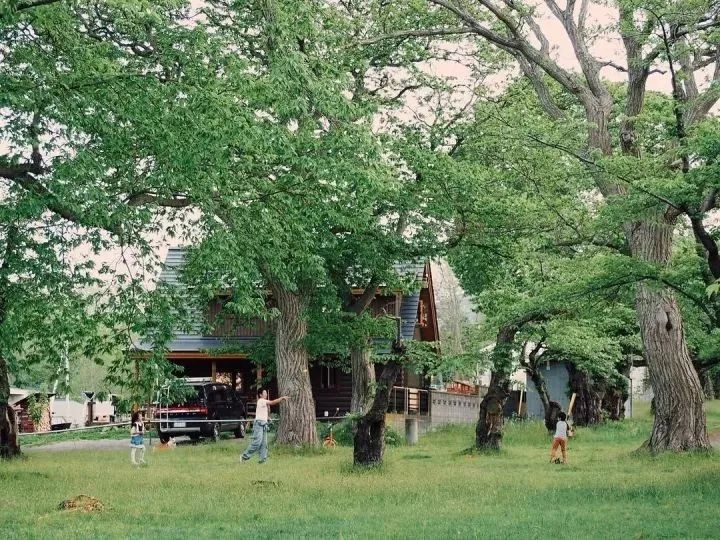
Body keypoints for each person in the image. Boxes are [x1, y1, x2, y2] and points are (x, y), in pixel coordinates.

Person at [240, 389, 289, 464]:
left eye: (266, 392)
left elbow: (261, 413)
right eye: (264, 393)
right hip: (258, 425)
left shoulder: (264, 402)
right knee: (257, 442)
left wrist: (267, 418)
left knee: (264, 444)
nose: (266, 394)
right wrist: (281, 398)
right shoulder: (261, 400)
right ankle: (244, 456)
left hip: (264, 424)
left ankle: (262, 460)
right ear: (260, 395)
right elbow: (272, 402)